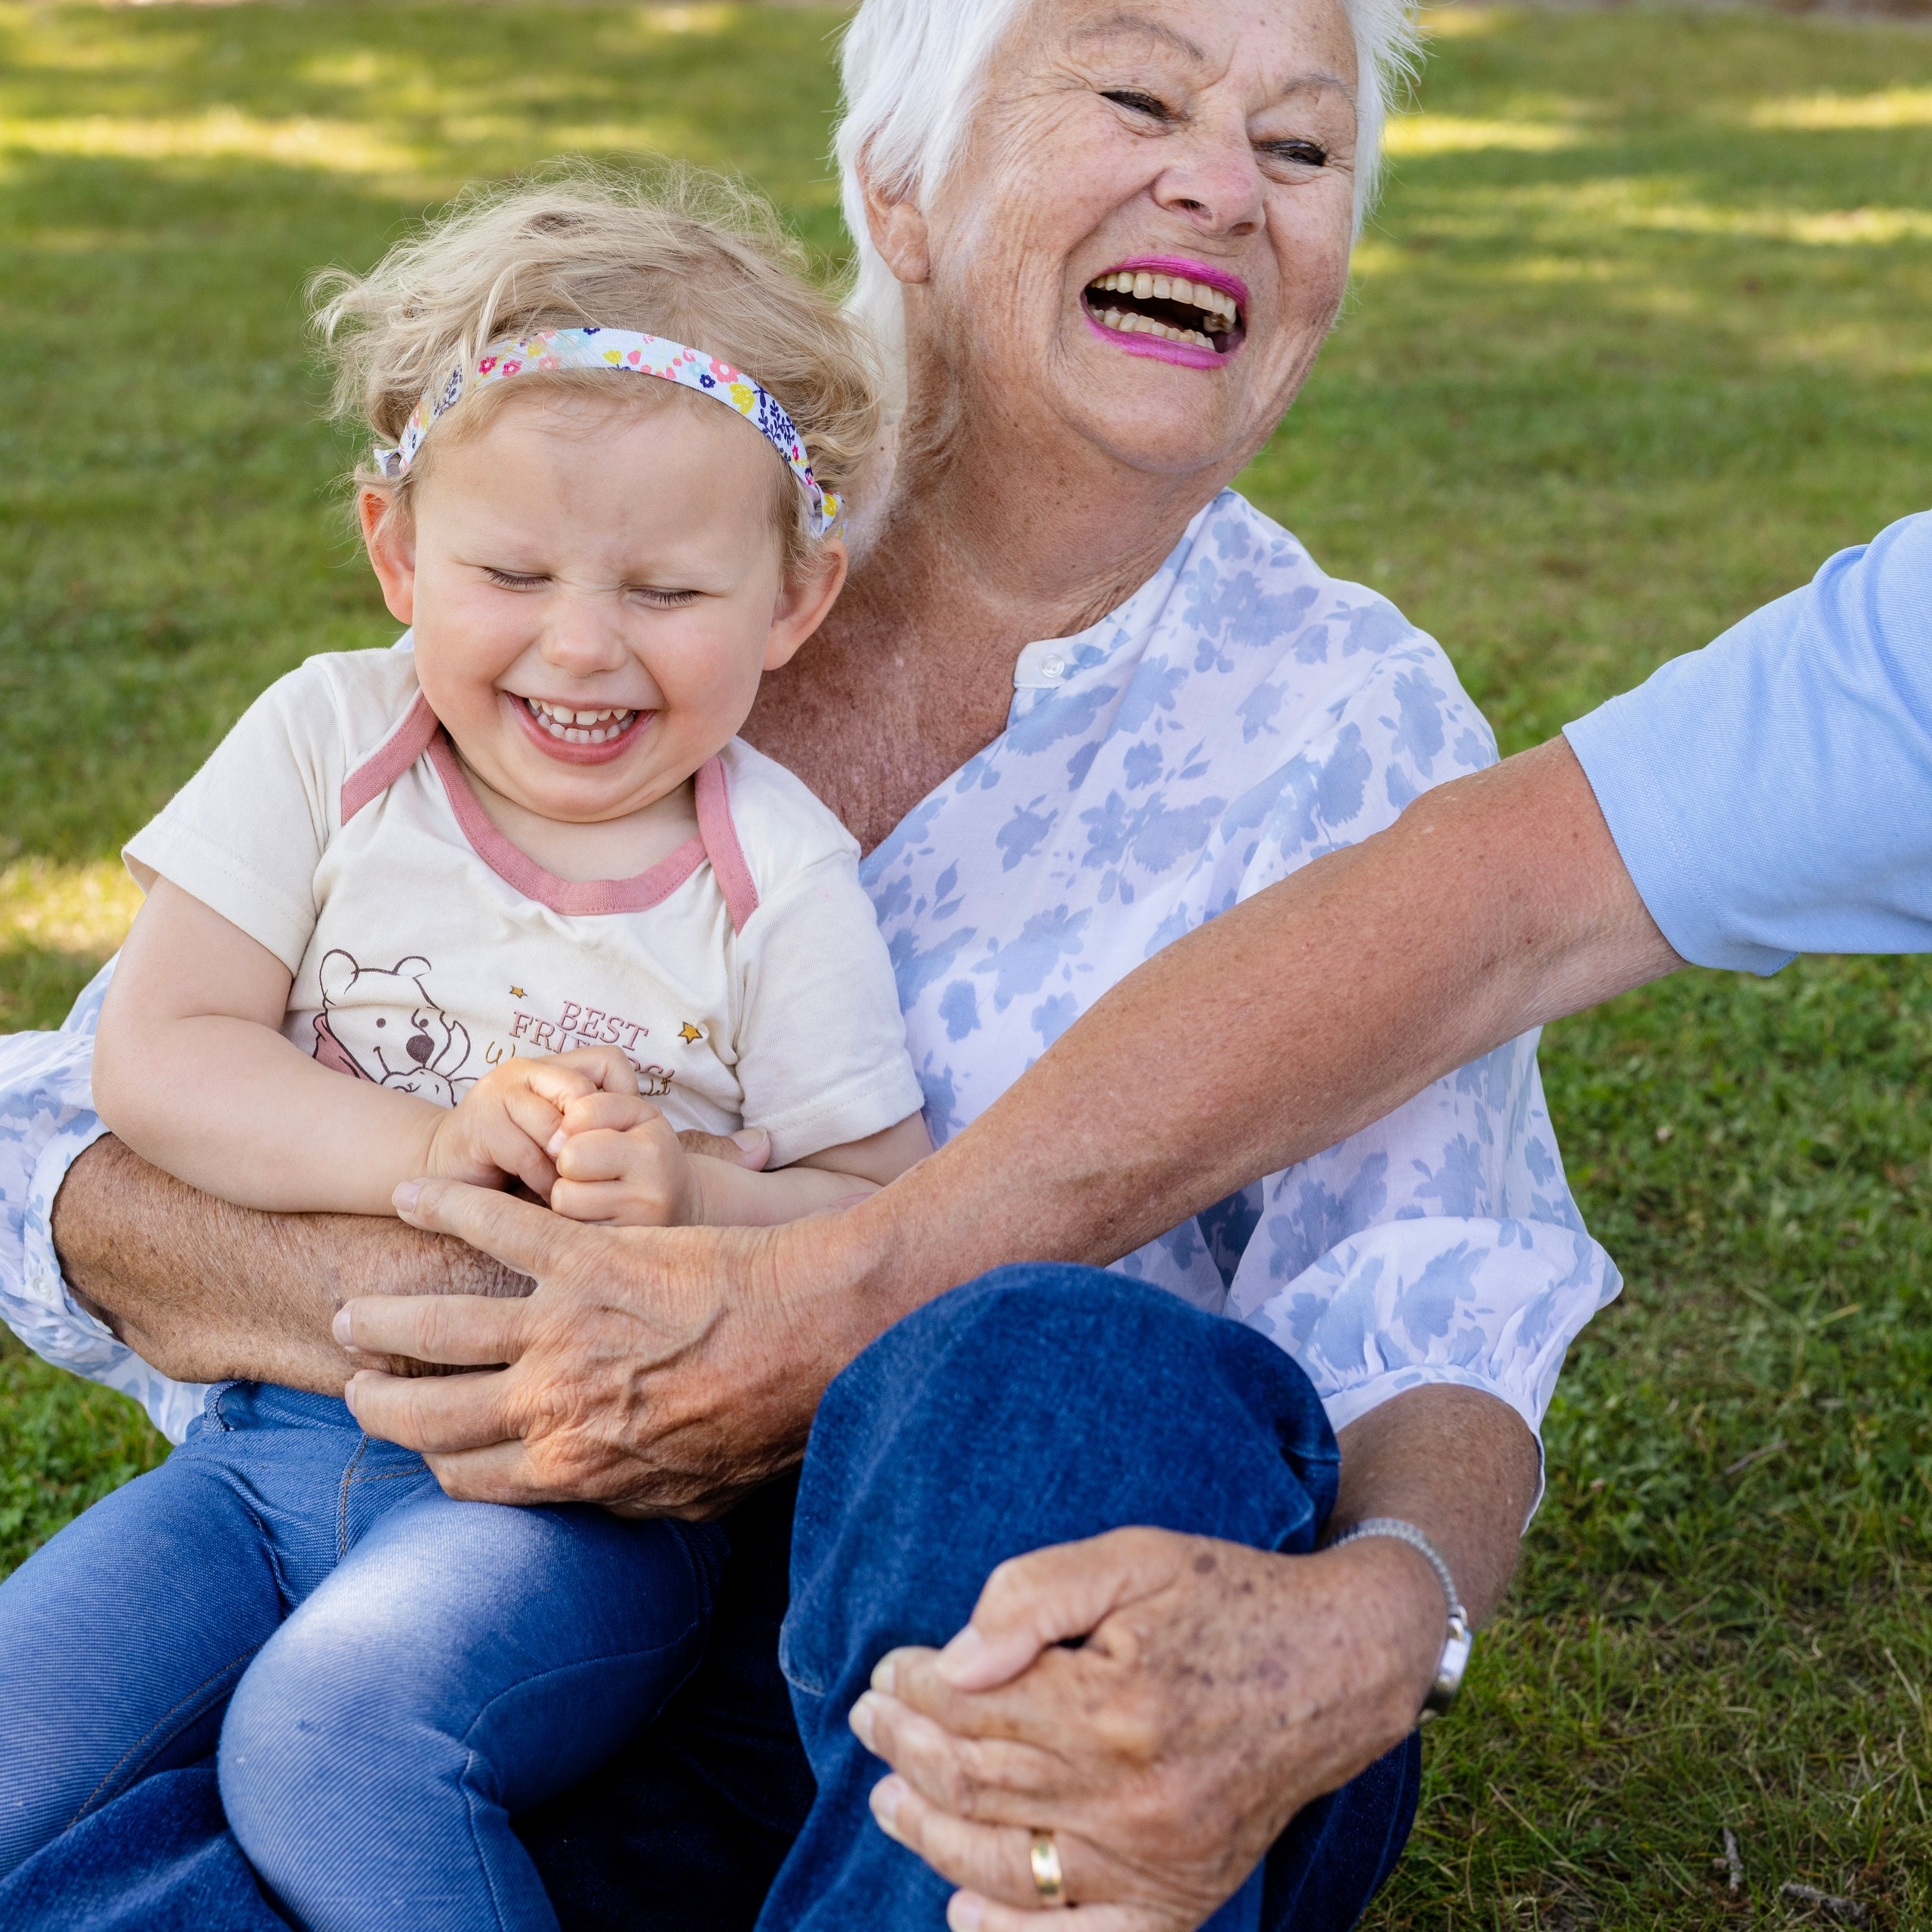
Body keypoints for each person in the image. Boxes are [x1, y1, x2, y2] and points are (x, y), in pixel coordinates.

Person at [0, 2, 1623, 1927]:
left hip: (1003, 1652)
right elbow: (85, 1142)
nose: (1221, 184)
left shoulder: (1349, 721)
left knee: (1055, 1361)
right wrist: (493, 1304)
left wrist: (1377, 1625)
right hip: (471, 1588)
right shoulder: (610, 550)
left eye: (1299, 147)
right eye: (1134, 94)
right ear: (898, 189)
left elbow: (1434, 1298)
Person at [0, 175, 934, 1930]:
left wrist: (684, 1188)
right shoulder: (325, 740)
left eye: (666, 586)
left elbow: (874, 1205)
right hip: (261, 1457)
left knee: (331, 1736)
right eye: (510, 571)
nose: (582, 642)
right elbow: (163, 1052)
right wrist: (422, 1155)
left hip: (570, 1514)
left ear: (791, 601)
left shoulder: (776, 869)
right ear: (396, 550)